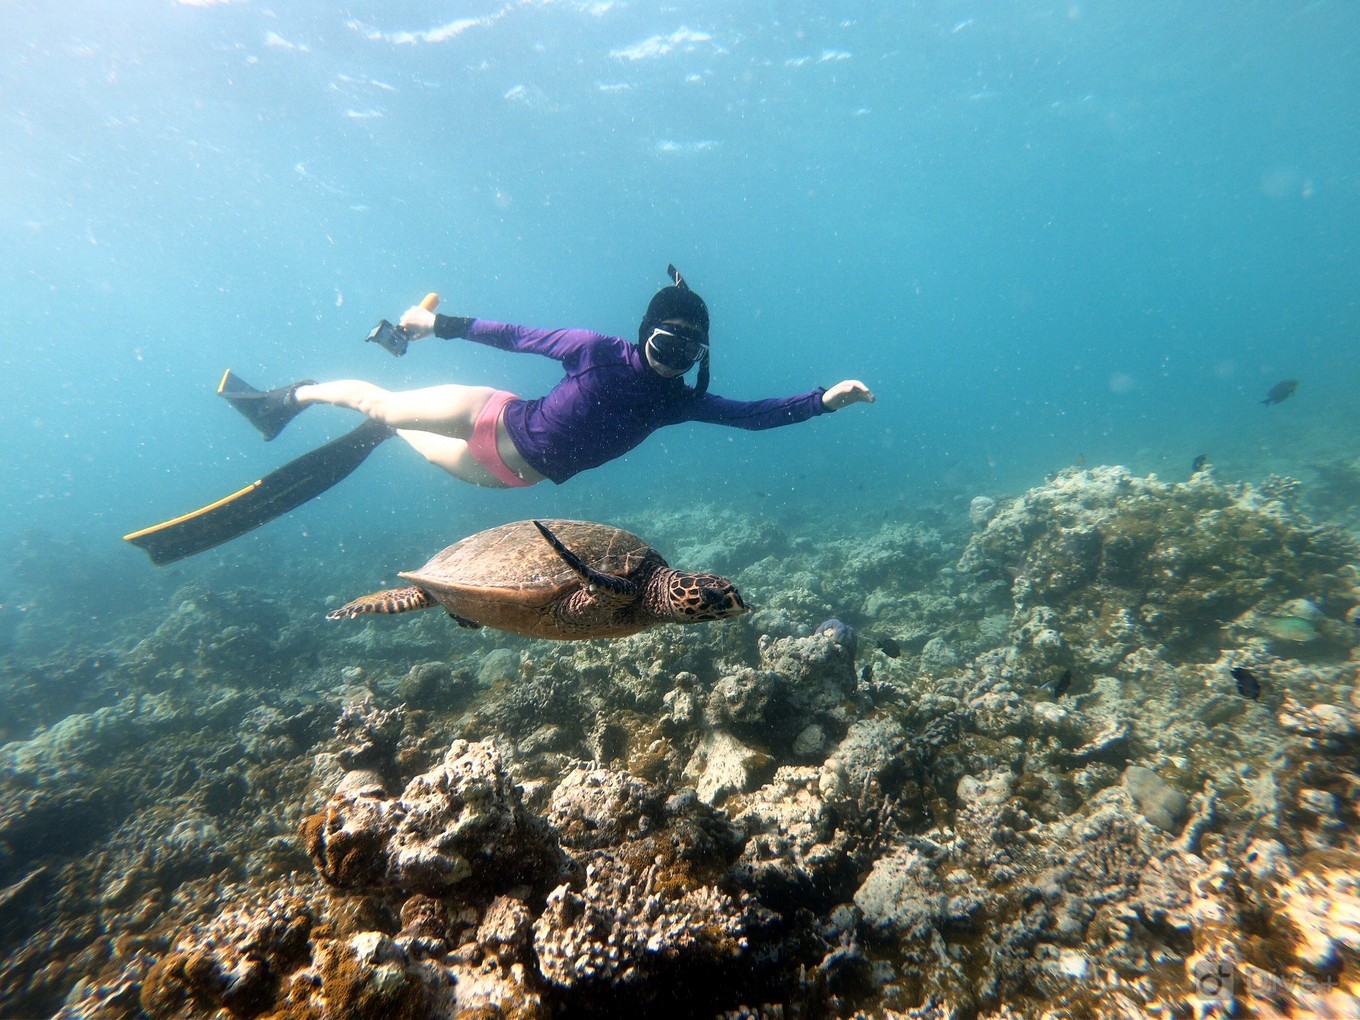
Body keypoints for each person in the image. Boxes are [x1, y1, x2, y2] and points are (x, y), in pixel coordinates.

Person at [125, 266, 874, 565]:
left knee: (392, 425)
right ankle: (280, 402)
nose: (673, 357)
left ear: (700, 354)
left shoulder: (680, 404)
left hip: (501, 470)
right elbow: (514, 336)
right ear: (644, 331)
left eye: (689, 349)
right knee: (380, 402)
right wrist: (436, 326)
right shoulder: (594, 348)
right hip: (496, 410)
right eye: (665, 340)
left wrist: (821, 403)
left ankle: (346, 422)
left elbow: (750, 415)